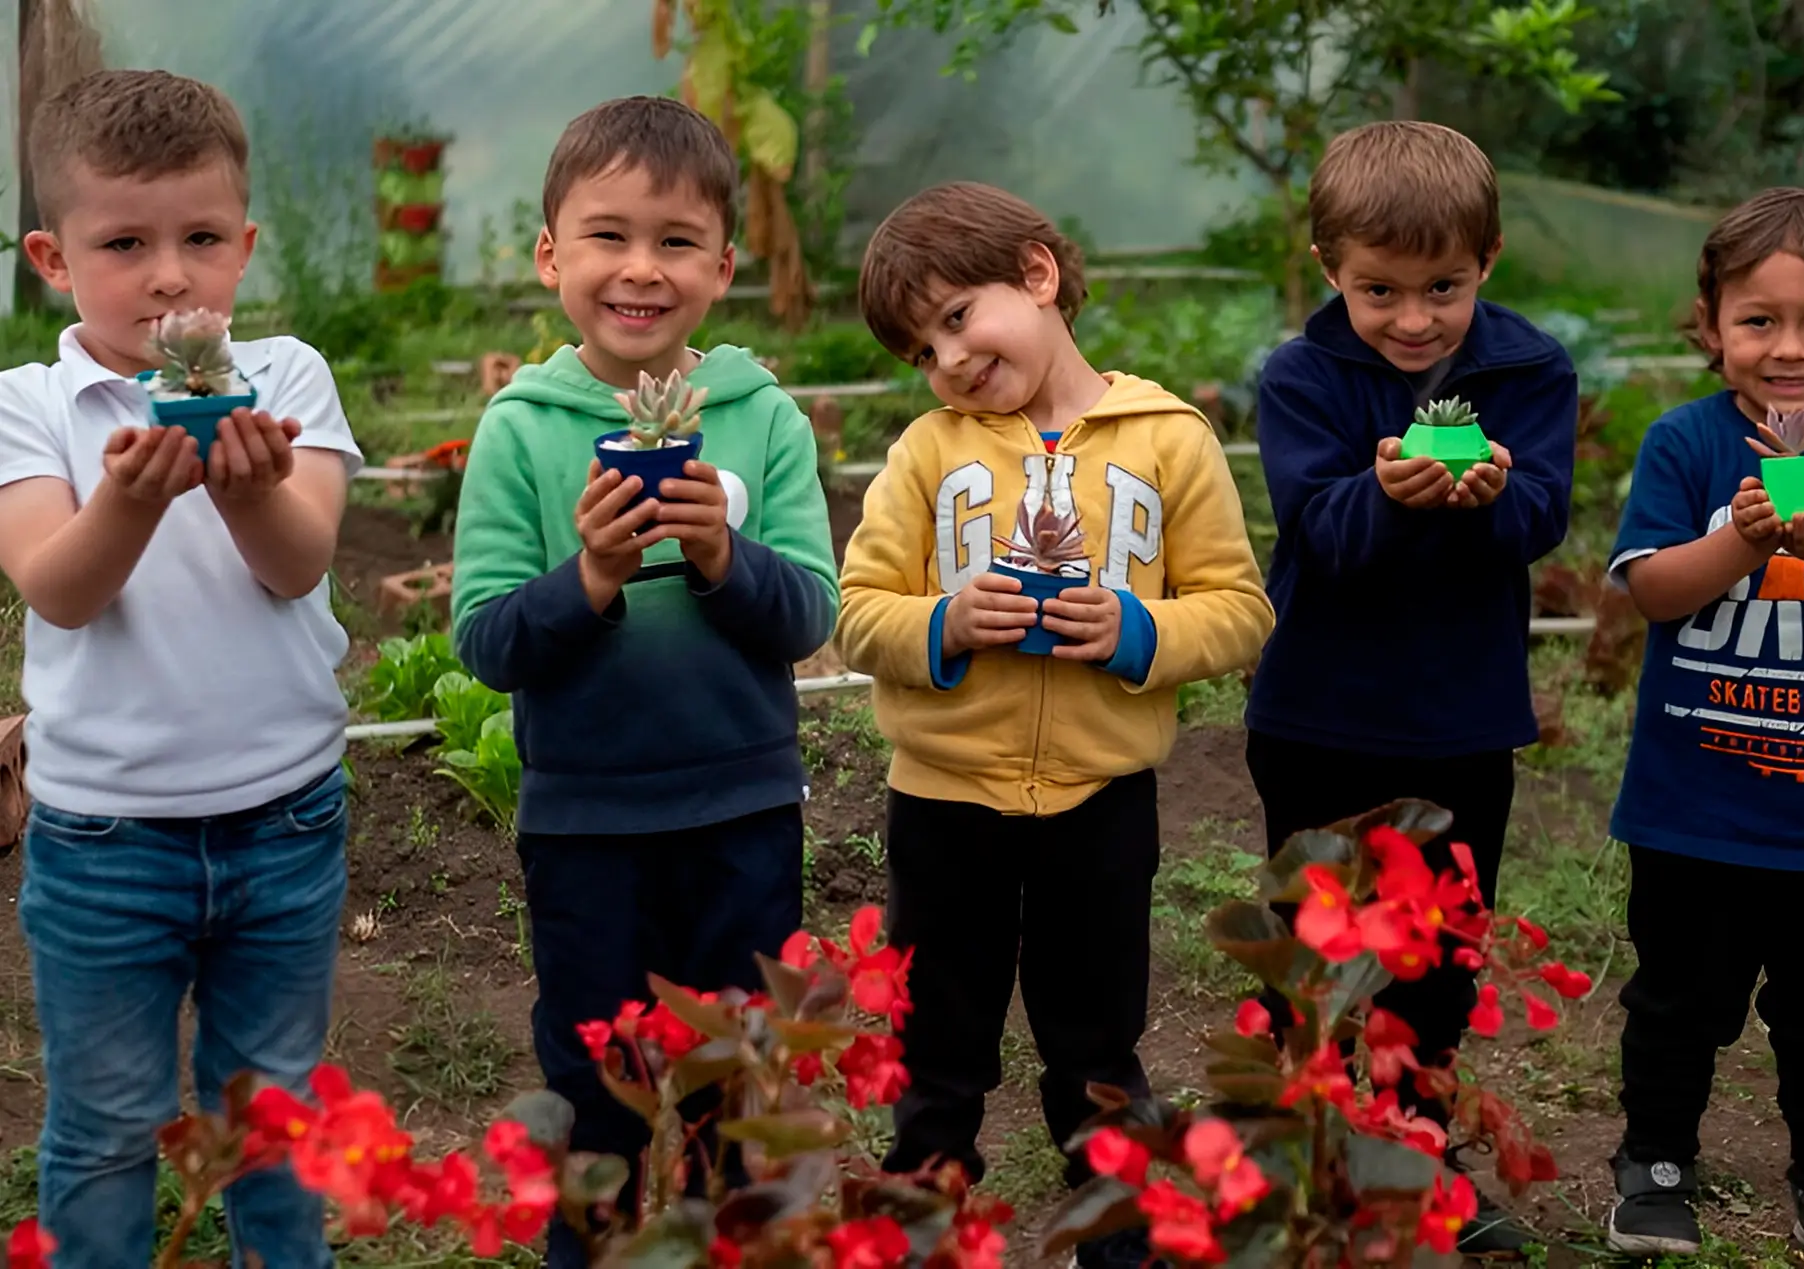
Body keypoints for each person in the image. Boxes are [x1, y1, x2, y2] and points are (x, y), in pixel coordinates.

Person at [838, 181, 1274, 1269]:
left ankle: (1115, 1233)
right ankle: (929, 1226)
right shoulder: (928, 454)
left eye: (954, 318)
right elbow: (856, 612)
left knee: (1096, 1043)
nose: (944, 362)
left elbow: (1237, 608)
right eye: (919, 350)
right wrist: (945, 619)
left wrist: (1137, 633)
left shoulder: (1171, 441)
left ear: (1037, 276)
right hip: (943, 803)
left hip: (1101, 802)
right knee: (938, 1042)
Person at [451, 95, 838, 1268]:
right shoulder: (519, 430)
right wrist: (594, 576)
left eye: (675, 242)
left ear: (725, 265)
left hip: (743, 812)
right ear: (550, 256)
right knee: (597, 1081)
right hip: (586, 826)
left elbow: (810, 612)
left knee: (741, 1078)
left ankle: (735, 1247)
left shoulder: (760, 419)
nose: (640, 269)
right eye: (607, 236)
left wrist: (722, 558)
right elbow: (486, 639)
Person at [0, 67, 362, 1267]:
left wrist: (251, 484)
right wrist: (133, 497)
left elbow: (297, 565)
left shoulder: (291, 378)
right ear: (52, 258)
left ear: (245, 246)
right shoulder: (32, 406)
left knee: (271, 1111)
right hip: (106, 842)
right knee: (105, 1121)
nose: (169, 275)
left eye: (201, 238)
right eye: (126, 243)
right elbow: (59, 584)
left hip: (285, 822)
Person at [1242, 120, 1577, 1253]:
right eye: (1380, 290)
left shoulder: (1529, 368)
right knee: (1323, 948)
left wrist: (1492, 494)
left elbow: (1542, 518)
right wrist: (1386, 493)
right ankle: (1322, 1149)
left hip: (1461, 721)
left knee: (1436, 959)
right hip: (1318, 717)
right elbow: (1319, 532)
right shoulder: (1301, 378)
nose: (1416, 318)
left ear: (1488, 260)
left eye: (1445, 286)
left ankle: (1422, 1154)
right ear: (1333, 272)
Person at [1603, 187, 1804, 1269]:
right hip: (1696, 807)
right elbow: (1653, 590)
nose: (1789, 349)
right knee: (1678, 1001)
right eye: (1758, 320)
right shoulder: (1686, 445)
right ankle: (1655, 1164)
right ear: (1711, 322)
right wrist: (1743, 543)